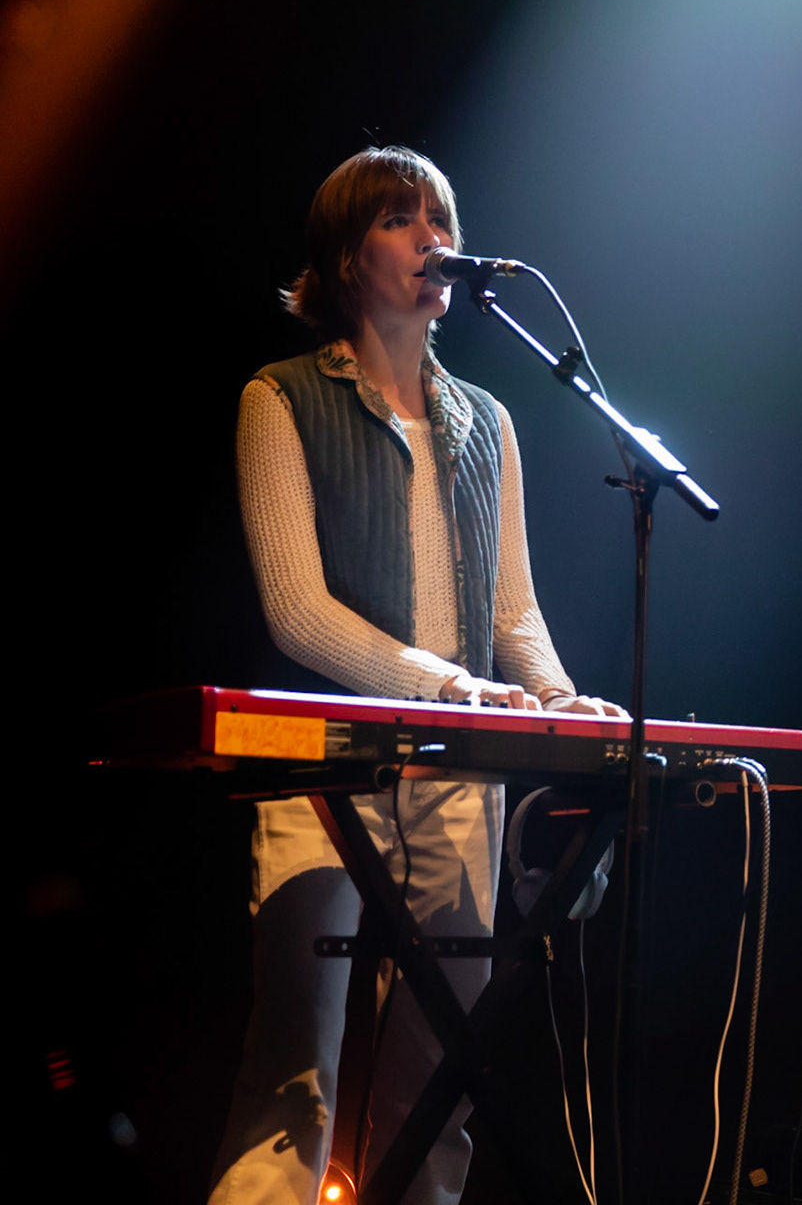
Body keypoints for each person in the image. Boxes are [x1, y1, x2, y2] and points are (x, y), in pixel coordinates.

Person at [209, 146, 624, 1205]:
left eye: (438, 215)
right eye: (401, 219)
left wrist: (558, 693)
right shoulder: (281, 397)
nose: (432, 237)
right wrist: (450, 684)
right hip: (320, 772)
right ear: (349, 255)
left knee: (441, 1081)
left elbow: (512, 610)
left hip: (457, 778)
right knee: (298, 1066)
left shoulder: (489, 420)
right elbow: (297, 610)